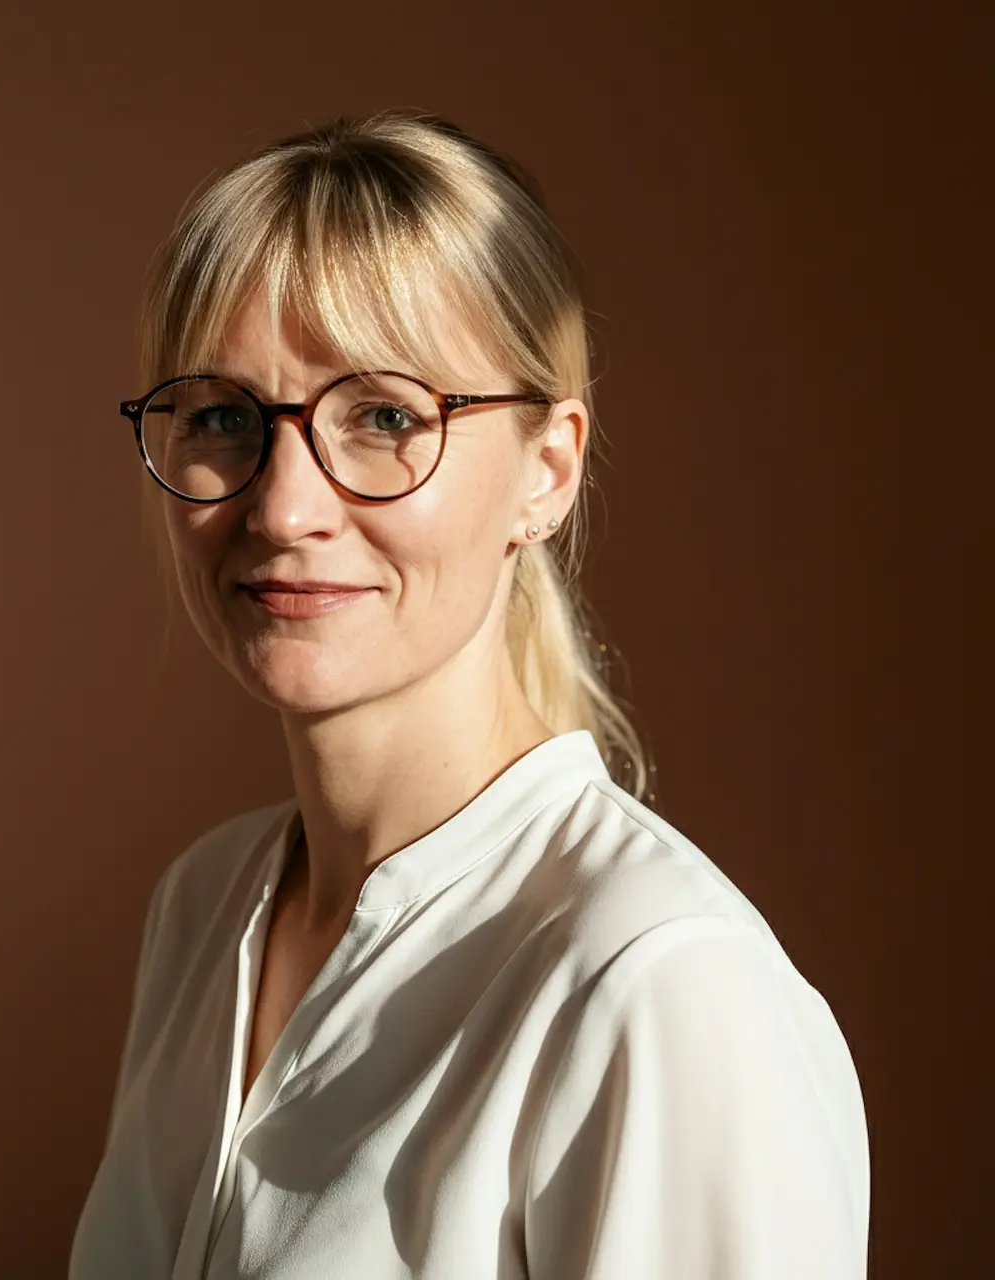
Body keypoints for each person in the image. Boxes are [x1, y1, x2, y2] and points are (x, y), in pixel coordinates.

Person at [70, 110, 870, 1279]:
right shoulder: (199, 910)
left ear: (546, 471)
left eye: (385, 416)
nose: (284, 509)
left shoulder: (657, 981)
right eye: (225, 417)